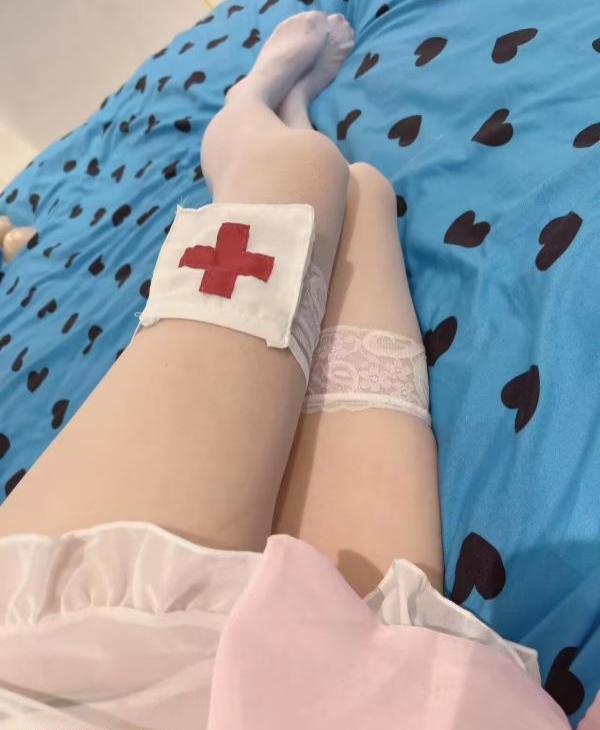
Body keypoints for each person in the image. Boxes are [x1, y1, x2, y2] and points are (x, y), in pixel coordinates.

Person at [0, 11, 574, 729]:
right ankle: (294, 128)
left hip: (81, 674)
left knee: (305, 178)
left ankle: (245, 112)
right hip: (356, 696)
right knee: (363, 194)